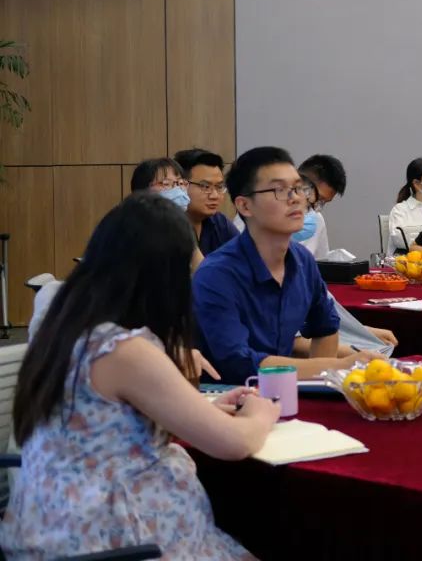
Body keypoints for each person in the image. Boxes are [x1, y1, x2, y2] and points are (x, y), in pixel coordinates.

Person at [0, 193, 278, 559]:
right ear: (164, 276)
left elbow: (104, 425)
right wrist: (261, 415)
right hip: (115, 537)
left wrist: (198, 410)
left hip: (54, 524)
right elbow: (233, 443)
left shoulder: (66, 325)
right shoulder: (125, 350)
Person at [192, 147, 394, 384]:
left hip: (285, 391)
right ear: (245, 206)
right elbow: (240, 363)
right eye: (279, 190)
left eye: (299, 188)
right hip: (226, 397)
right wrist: (335, 366)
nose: (297, 199)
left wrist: (322, 381)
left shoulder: (302, 260)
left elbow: (326, 326)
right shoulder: (216, 274)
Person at [174, 148, 239, 256]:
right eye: (205, 186)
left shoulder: (220, 223)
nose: (214, 196)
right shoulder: (165, 228)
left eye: (219, 187)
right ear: (181, 185)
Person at [296, 154, 348, 258]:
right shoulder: (267, 214)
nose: (317, 208)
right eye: (318, 198)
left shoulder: (316, 220)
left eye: (323, 203)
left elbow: (322, 264)